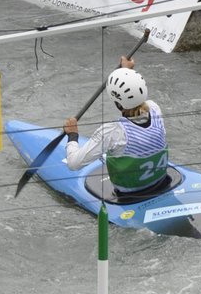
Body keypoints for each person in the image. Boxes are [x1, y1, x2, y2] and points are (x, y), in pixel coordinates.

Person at [62, 56, 172, 197]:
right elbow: (134, 96)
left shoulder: (112, 132)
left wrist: (72, 135)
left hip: (129, 195)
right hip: (160, 183)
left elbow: (73, 164)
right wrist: (126, 72)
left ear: (118, 104)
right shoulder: (155, 108)